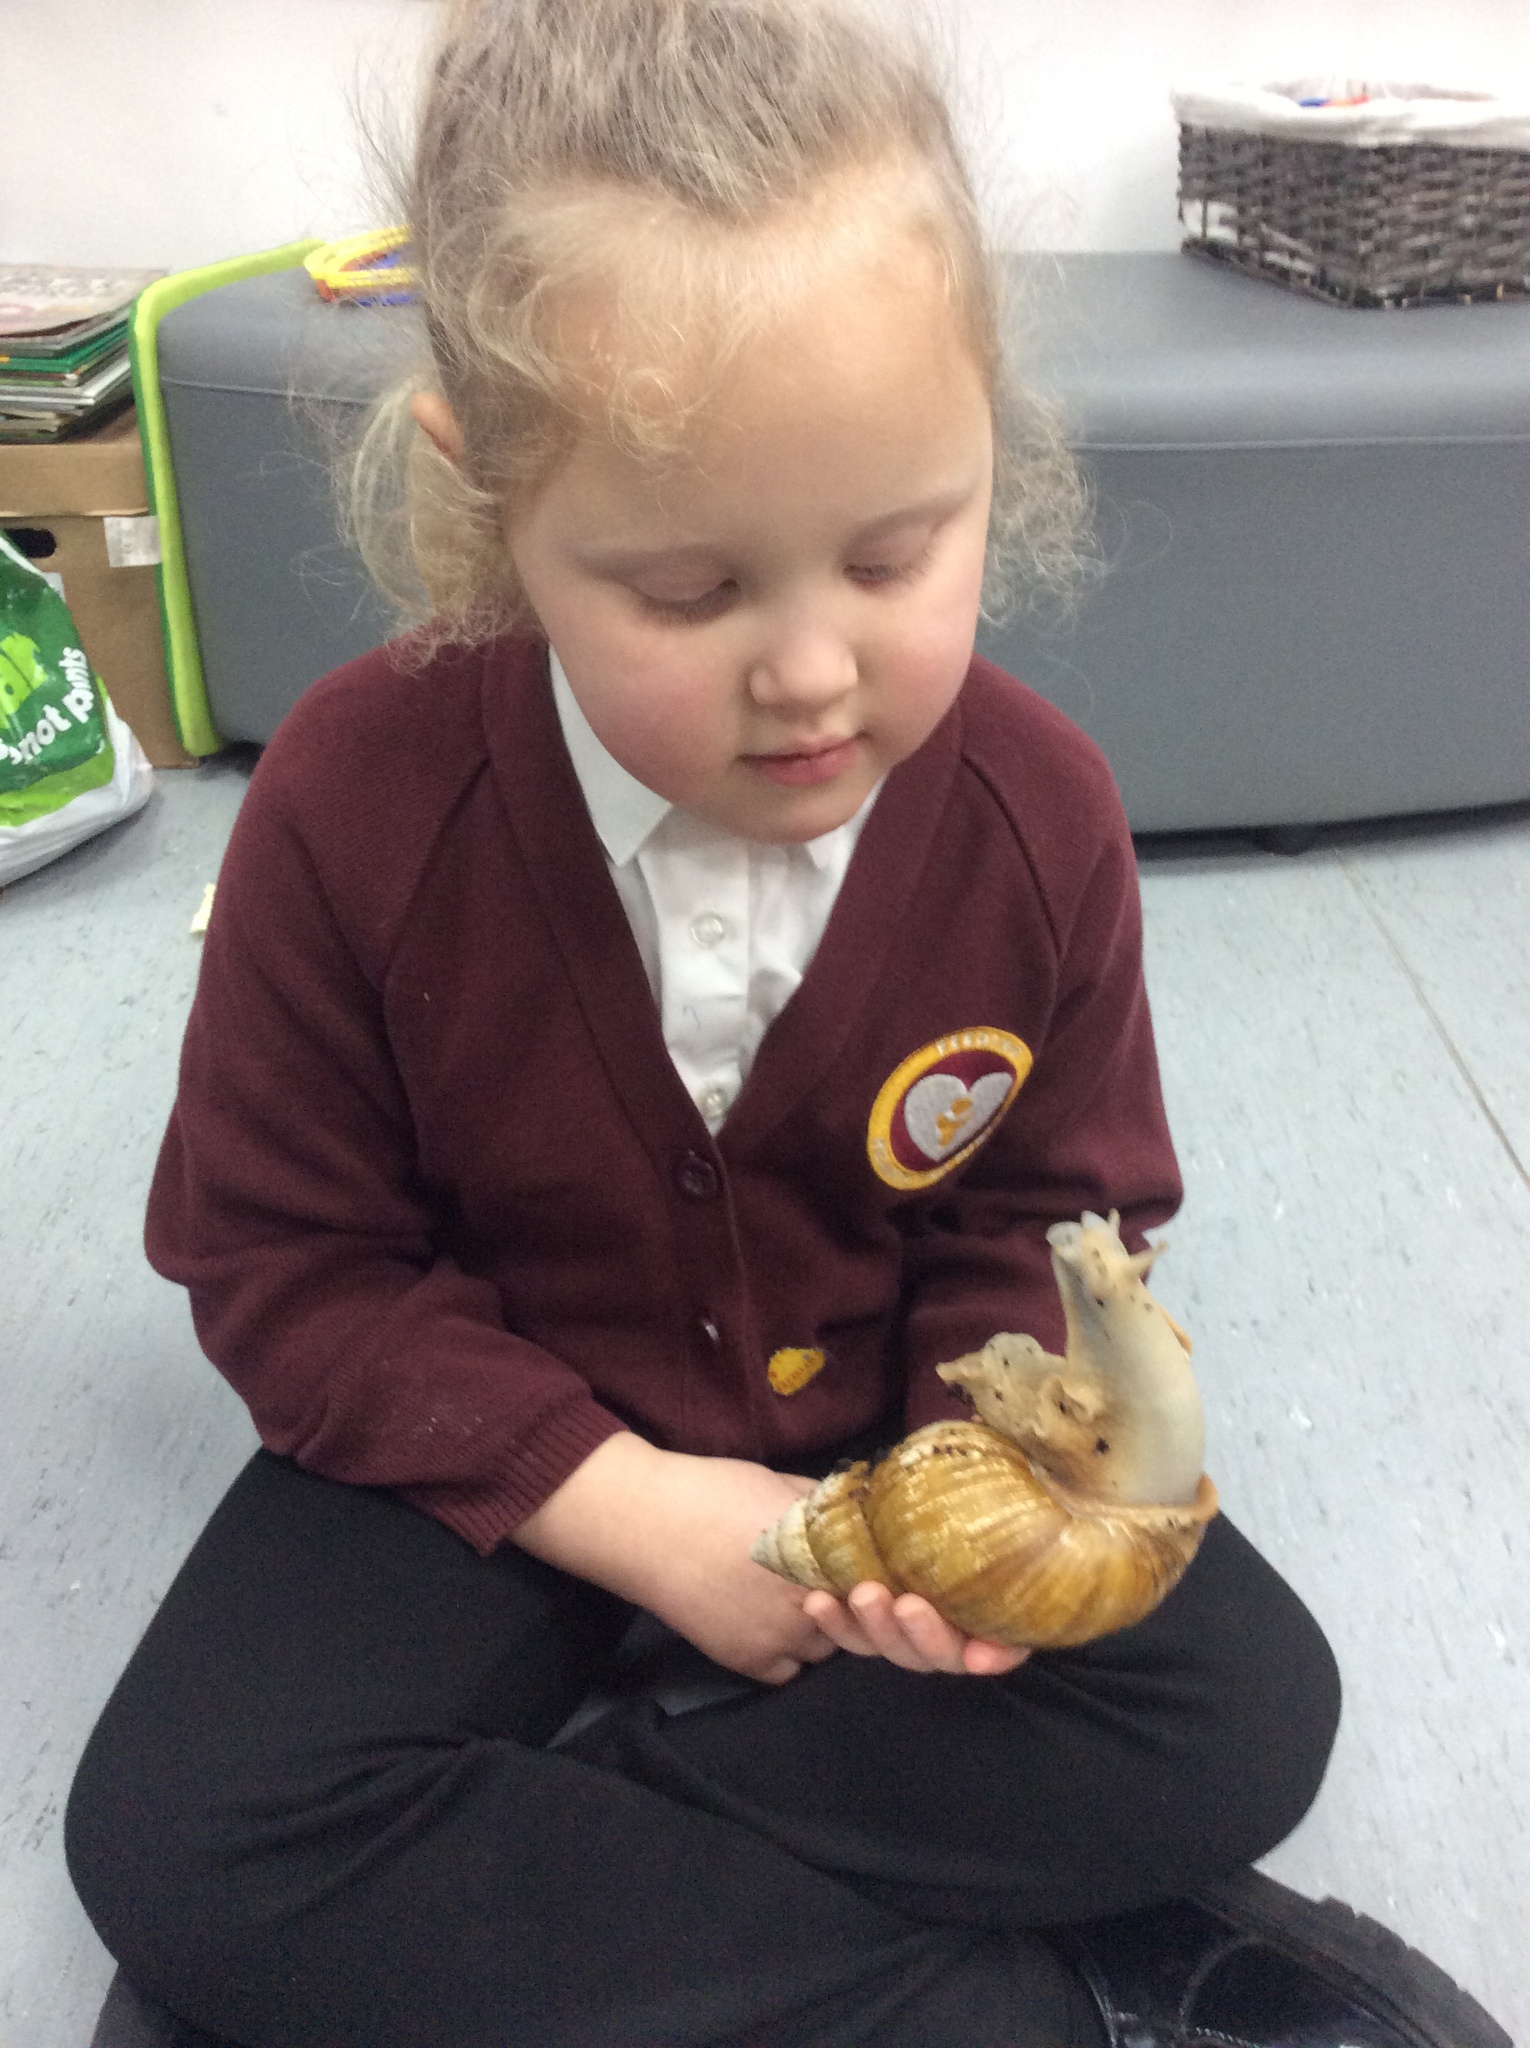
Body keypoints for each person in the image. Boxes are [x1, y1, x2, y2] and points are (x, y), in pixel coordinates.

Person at [65, 4, 1507, 2045]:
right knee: (178, 1836)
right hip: (502, 1454)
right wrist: (642, 1519)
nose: (815, 672)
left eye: (897, 551)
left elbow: (1052, 1224)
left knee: (1243, 1706)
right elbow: (288, 1269)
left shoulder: (1038, 814)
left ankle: (516, 1865)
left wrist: (957, 1487)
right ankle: (1030, 2003)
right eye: (686, 591)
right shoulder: (351, 802)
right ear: (490, 499)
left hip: (886, 1467)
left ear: (988, 433)